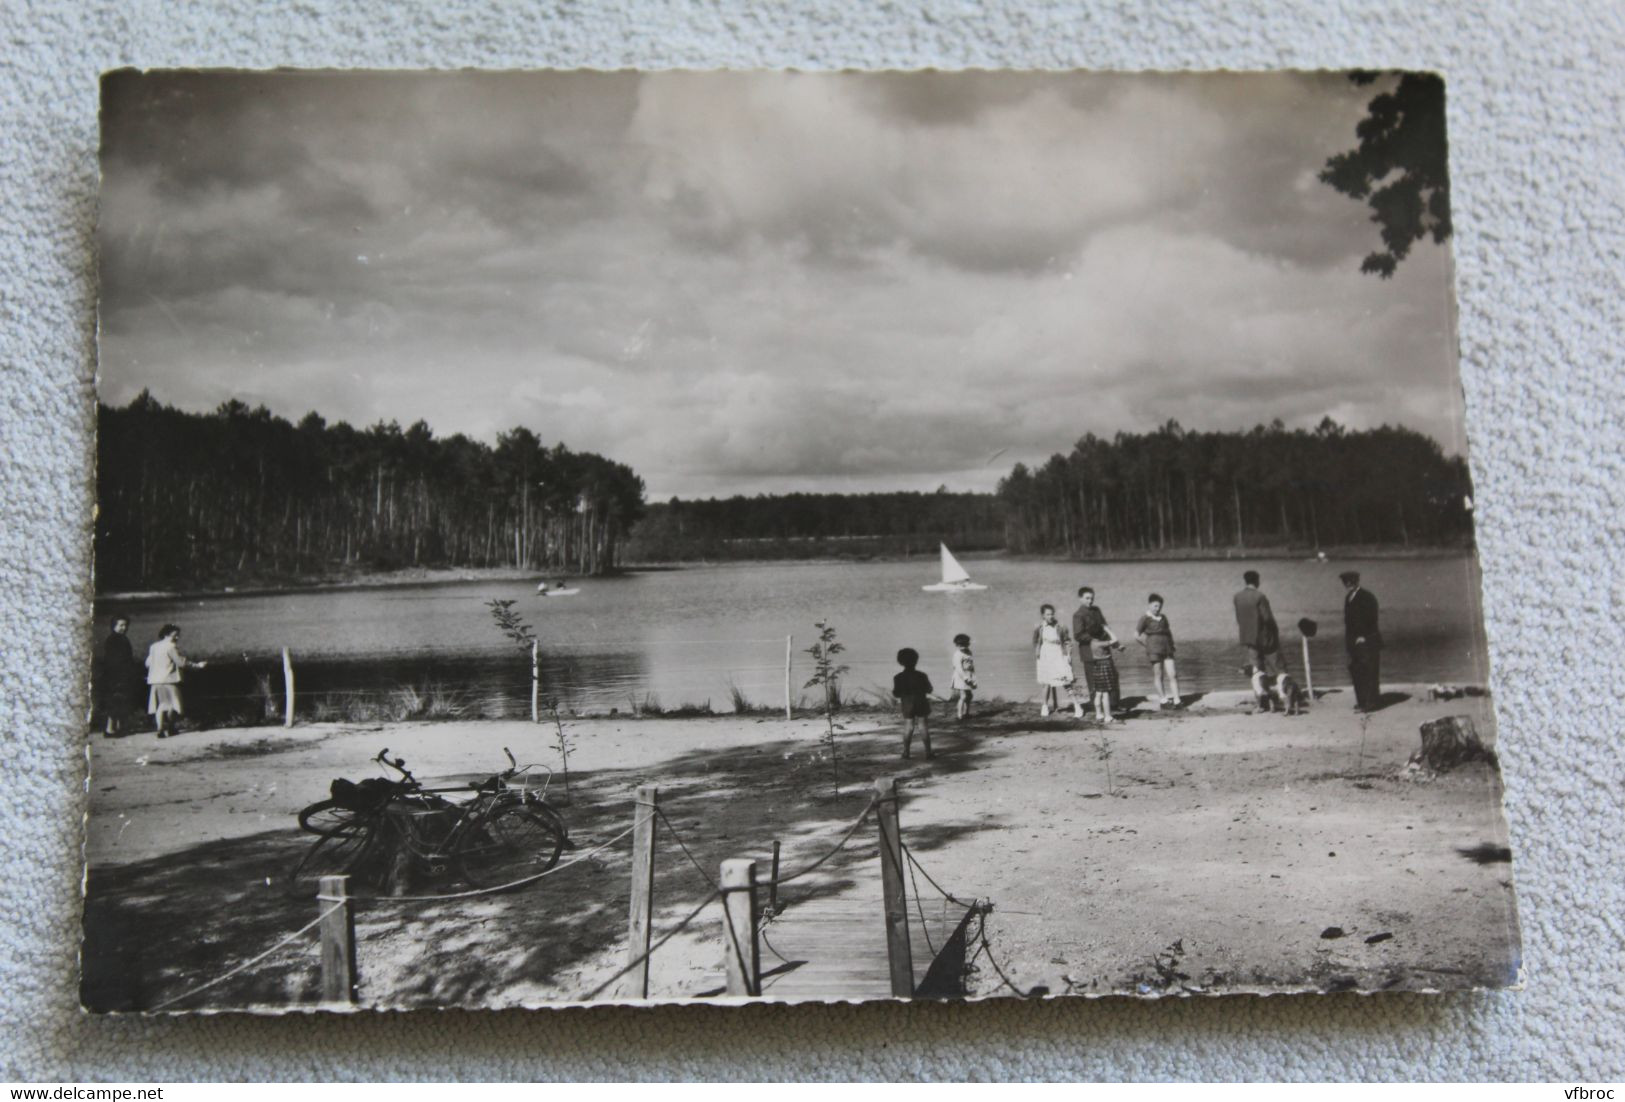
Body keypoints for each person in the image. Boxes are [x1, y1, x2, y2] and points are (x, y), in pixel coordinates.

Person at [145, 623, 207, 738]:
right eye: (175, 635)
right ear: (166, 635)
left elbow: (147, 663)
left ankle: (160, 728)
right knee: (173, 705)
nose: (177, 638)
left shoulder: (154, 646)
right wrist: (198, 665)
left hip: (155, 680)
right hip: (169, 679)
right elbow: (181, 663)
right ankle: (170, 727)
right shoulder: (171, 647)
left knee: (161, 705)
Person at [1072, 586, 1121, 719]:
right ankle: (1098, 711)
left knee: (1111, 676)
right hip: (1089, 651)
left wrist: (1116, 644)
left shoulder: (1096, 610)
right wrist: (1094, 640)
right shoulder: (1078, 615)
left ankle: (1113, 705)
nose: (1090, 601)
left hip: (1103, 649)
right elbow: (1078, 635)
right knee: (1094, 682)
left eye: (1092, 598)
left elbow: (1105, 627)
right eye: (1087, 598)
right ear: (1080, 599)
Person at [1033, 604, 1084, 718]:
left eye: (1052, 614)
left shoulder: (1060, 626)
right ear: (1043, 615)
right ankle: (1045, 706)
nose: (1050, 616)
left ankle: (1077, 706)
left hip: (1058, 654)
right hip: (1045, 655)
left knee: (1065, 681)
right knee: (1046, 682)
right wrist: (1037, 652)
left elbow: (1067, 641)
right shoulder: (1039, 627)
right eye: (1048, 614)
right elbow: (1036, 641)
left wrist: (1068, 655)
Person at [1341, 571, 1383, 712]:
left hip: (1367, 641)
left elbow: (1372, 619)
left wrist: (1364, 636)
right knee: (1356, 671)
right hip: (1353, 642)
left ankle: (1371, 703)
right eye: (1346, 583)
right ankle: (1362, 701)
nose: (1348, 585)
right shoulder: (1348, 597)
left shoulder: (1367, 597)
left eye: (1350, 582)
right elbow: (1349, 621)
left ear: (1356, 582)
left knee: (1369, 672)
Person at [96, 615, 140, 737]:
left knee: (120, 701)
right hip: (116, 675)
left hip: (119, 675)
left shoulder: (119, 638)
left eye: (125, 625)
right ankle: (110, 729)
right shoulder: (114, 639)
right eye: (121, 625)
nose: (124, 628)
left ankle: (118, 727)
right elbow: (115, 660)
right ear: (114, 626)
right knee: (115, 702)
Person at [1233, 570, 1283, 676]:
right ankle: (1286, 690)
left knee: (1256, 669)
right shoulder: (1260, 596)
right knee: (1278, 666)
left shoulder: (1238, 596)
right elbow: (1267, 618)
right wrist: (1275, 632)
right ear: (1257, 581)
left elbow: (1239, 618)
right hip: (1265, 637)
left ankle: (1261, 691)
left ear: (1245, 581)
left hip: (1248, 637)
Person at [1135, 593, 1181, 709]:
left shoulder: (1163, 617)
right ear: (1150, 605)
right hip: (1154, 650)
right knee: (1158, 675)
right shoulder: (1144, 618)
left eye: (1159, 606)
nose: (1158, 608)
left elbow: (1168, 632)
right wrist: (1148, 645)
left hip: (1167, 648)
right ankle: (1163, 701)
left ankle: (1177, 700)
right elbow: (1136, 635)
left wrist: (1172, 644)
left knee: (1173, 674)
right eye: (1155, 606)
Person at [892, 648, 934, 759]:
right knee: (923, 726)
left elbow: (896, 693)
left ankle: (906, 752)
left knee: (908, 727)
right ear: (916, 660)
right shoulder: (922, 675)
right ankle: (928, 752)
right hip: (921, 702)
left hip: (907, 704)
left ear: (900, 662)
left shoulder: (898, 677)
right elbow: (929, 689)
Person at [949, 633, 976, 721]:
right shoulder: (957, 654)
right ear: (957, 645)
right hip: (960, 677)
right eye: (960, 645)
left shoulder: (969, 652)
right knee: (963, 696)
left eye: (964, 645)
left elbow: (972, 666)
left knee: (969, 696)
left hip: (969, 675)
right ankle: (959, 715)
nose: (962, 647)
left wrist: (973, 679)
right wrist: (965, 678)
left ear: (968, 644)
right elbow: (958, 668)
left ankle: (966, 713)